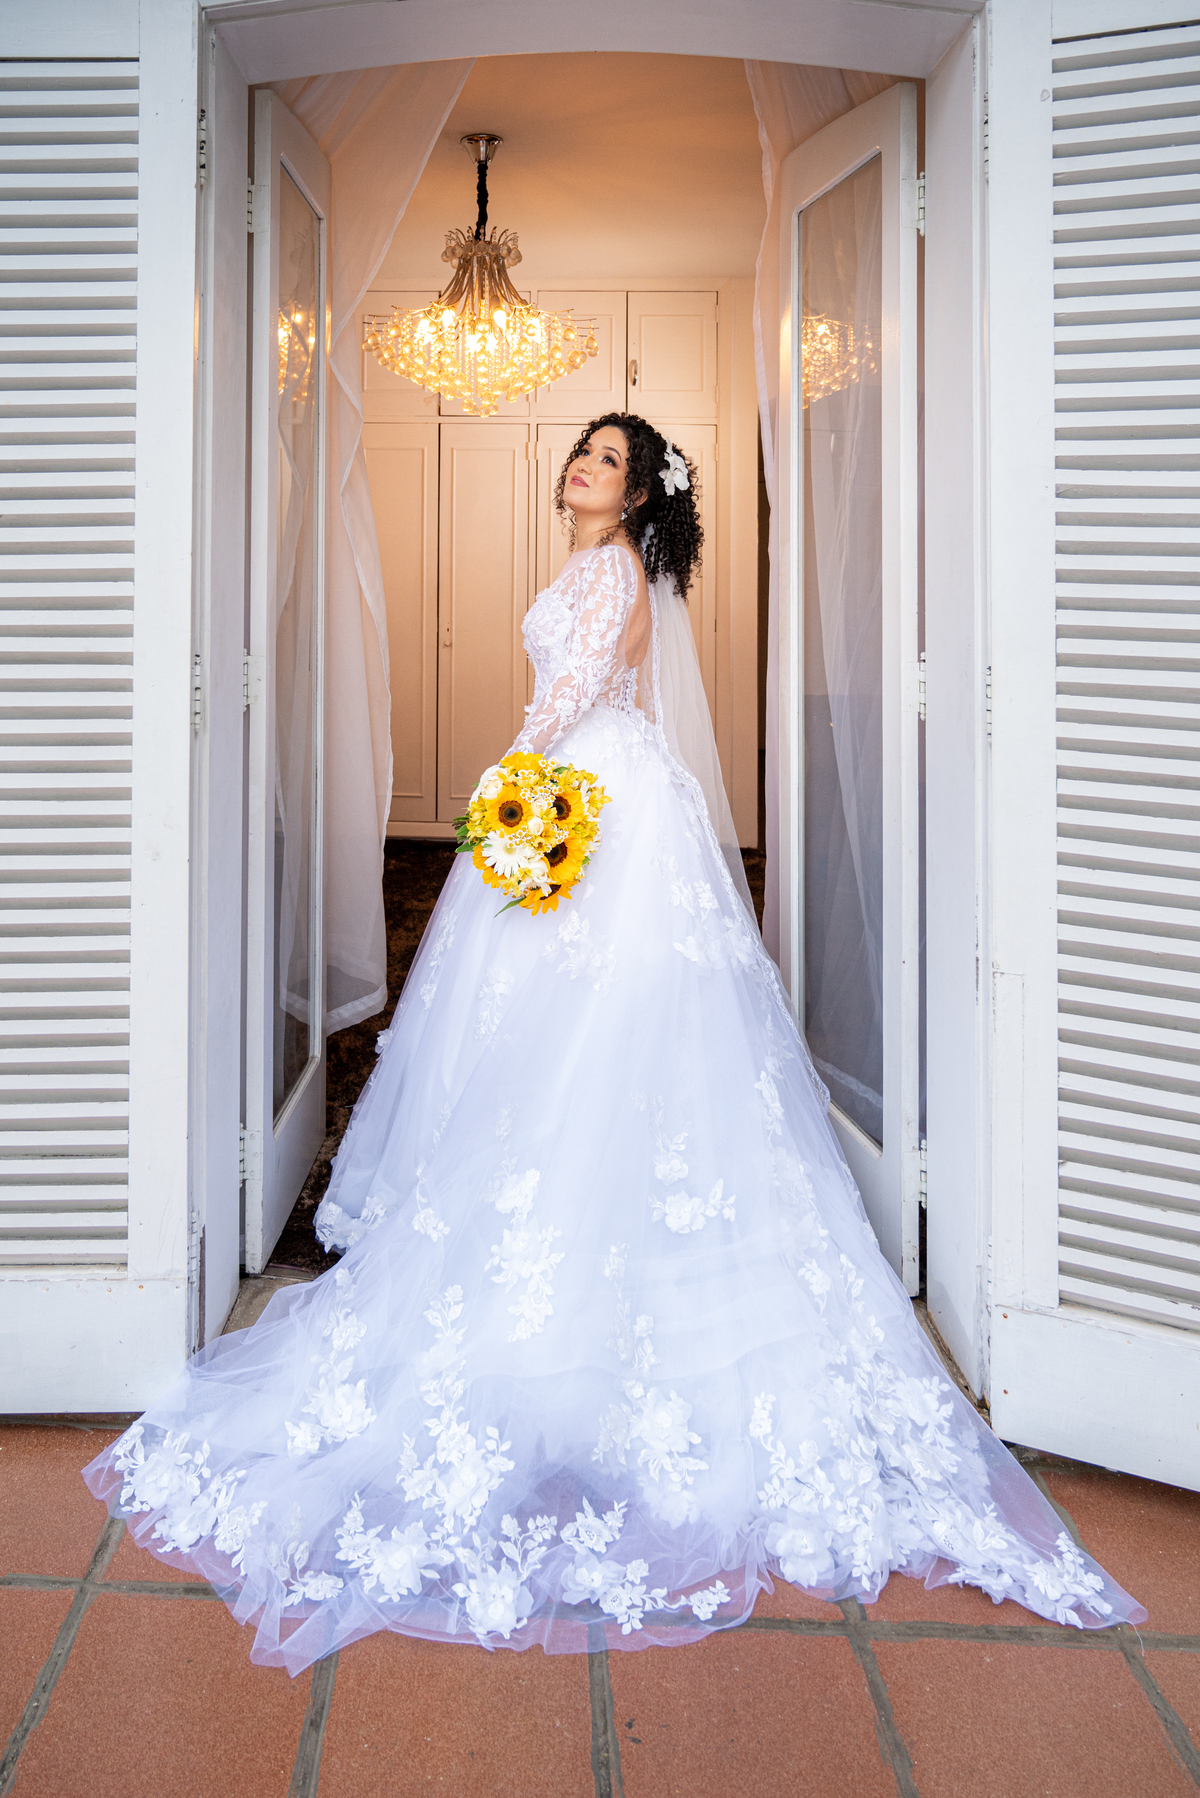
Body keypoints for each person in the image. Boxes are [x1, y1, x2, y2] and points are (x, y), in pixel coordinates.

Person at [84, 413, 1144, 1673]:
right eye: (578, 453)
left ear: (637, 494)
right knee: (595, 1046)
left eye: (603, 459)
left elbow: (564, 704)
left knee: (568, 1040)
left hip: (584, 800)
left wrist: (509, 793)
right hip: (609, 794)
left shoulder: (606, 571)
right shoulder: (608, 570)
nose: (579, 468)